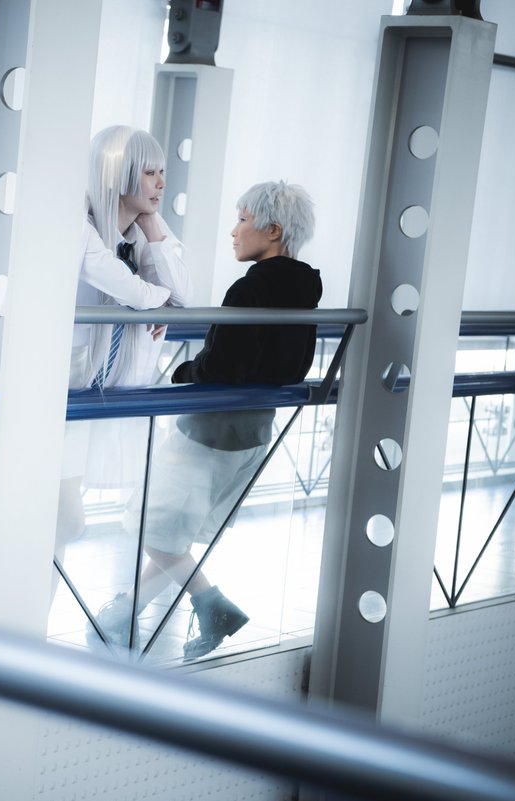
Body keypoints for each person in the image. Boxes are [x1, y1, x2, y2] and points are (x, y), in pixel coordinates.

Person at [93, 180, 321, 660]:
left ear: (273, 230)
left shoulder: (250, 288)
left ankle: (212, 606)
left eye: (242, 219)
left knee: (150, 526)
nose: (234, 231)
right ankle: (124, 613)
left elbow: (221, 367)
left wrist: (184, 372)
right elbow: (292, 366)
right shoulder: (305, 289)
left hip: (209, 432)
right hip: (254, 432)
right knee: (172, 535)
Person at [56, 125, 193, 565]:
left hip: (98, 389)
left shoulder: (141, 229)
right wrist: (155, 301)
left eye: (162, 172)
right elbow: (123, 284)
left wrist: (153, 229)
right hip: (59, 388)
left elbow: (182, 294)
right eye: (150, 173)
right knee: (65, 522)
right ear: (117, 176)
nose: (161, 183)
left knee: (62, 526)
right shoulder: (77, 221)